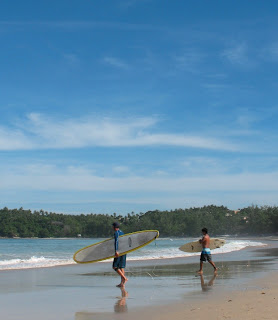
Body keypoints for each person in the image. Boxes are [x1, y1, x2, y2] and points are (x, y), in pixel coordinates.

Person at [112, 222, 128, 287]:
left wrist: (116, 250)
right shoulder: (122, 232)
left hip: (119, 252)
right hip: (124, 250)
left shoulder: (116, 233)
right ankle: (122, 283)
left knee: (115, 266)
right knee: (121, 267)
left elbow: (117, 242)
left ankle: (124, 278)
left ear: (114, 227)